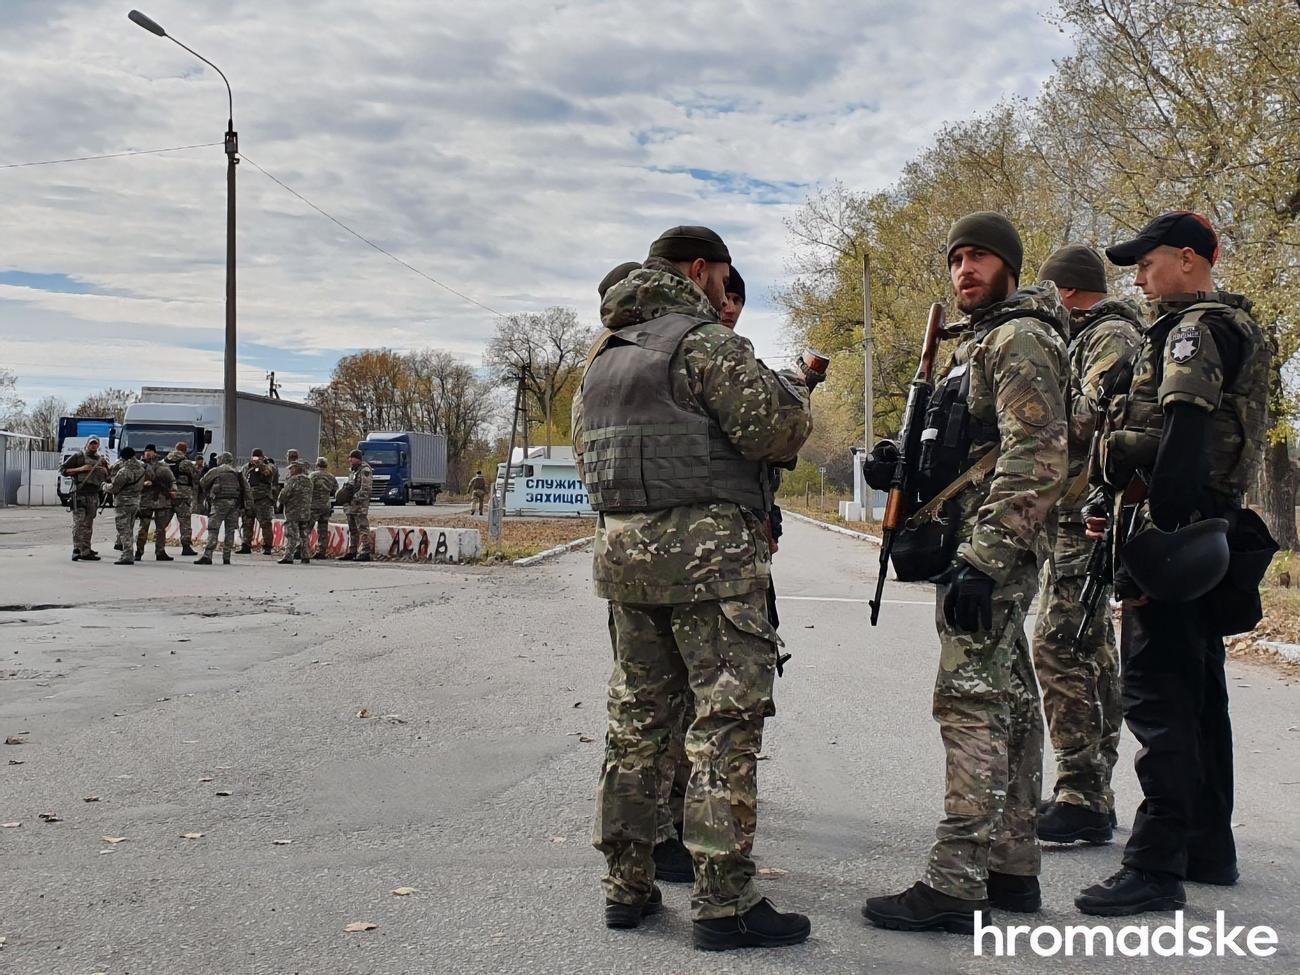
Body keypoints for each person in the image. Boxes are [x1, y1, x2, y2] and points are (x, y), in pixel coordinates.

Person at [574, 226, 815, 949]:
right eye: (723, 278)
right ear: (702, 270)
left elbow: (591, 461)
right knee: (723, 724)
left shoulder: (603, 358)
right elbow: (777, 432)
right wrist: (795, 394)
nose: (723, 292)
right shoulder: (703, 342)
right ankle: (724, 900)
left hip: (626, 564)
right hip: (710, 566)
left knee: (637, 723)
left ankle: (627, 885)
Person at [861, 213, 1068, 934]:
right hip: (976, 549)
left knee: (970, 704)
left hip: (990, 555)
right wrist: (894, 461)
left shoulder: (1021, 338)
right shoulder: (978, 344)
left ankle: (955, 881)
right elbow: (963, 442)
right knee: (1007, 699)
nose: (963, 270)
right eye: (955, 259)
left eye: (978, 256)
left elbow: (1038, 453)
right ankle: (1012, 866)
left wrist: (986, 557)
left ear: (1009, 264)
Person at [1075, 212, 1270, 916]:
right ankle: (1207, 846)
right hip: (1204, 530)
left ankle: (1155, 864)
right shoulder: (1229, 324)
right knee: (1199, 694)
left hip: (1176, 533)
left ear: (1189, 259)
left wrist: (1155, 534)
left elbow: (1184, 434)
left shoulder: (1192, 329)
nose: (1138, 276)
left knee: (1159, 701)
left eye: (1147, 262)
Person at [1030, 246, 1144, 847]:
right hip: (1075, 514)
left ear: (1067, 292)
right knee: (1088, 647)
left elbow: (1085, 421)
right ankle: (1089, 791)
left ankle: (1082, 792)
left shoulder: (1110, 338)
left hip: (1089, 516)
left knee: (1057, 644)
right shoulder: (1093, 337)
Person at [61, 436, 111, 561]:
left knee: (88, 524)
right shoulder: (79, 456)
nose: (93, 446)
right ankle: (76, 549)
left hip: (93, 495)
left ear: (98, 445)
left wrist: (106, 472)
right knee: (79, 523)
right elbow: (63, 470)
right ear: (87, 444)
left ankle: (86, 550)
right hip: (79, 494)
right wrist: (80, 469)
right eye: (91, 443)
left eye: (95, 444)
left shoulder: (101, 460)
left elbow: (109, 478)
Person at [195, 452, 248, 565]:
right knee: (230, 531)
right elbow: (246, 489)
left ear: (222, 460)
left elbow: (203, 482)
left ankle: (208, 555)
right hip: (234, 505)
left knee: (213, 529)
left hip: (219, 503)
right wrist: (248, 506)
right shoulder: (237, 473)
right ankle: (227, 557)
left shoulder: (216, 471)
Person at [135, 445, 177, 562]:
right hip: (145, 500)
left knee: (161, 529)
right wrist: (143, 484)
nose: (148, 453)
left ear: (155, 453)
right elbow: (133, 481)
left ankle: (160, 551)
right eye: (146, 451)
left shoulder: (163, 466)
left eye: (150, 451)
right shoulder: (139, 466)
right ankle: (139, 551)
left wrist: (173, 491)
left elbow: (172, 480)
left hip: (161, 500)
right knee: (143, 528)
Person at [107, 446, 147, 565]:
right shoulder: (141, 468)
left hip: (123, 503)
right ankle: (129, 552)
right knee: (129, 528)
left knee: (123, 529)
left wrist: (104, 486)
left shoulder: (124, 471)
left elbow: (114, 488)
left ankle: (128, 554)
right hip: (135, 502)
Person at [164, 442, 200, 557]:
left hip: (167, 495)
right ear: (185, 451)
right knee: (185, 522)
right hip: (183, 496)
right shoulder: (186, 463)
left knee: (162, 522)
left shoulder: (165, 461)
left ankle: (158, 547)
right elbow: (196, 477)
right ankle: (186, 547)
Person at [241, 449, 278, 555]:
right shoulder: (246, 467)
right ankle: (246, 545)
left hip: (263, 500)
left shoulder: (268, 465)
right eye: (254, 457)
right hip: (249, 499)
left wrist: (260, 465)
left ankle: (267, 547)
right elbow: (242, 480)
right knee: (247, 523)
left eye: (258, 457)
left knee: (265, 524)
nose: (255, 459)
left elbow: (270, 473)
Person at [340, 449, 374, 562]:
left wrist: (355, 498)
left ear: (358, 459)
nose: (350, 460)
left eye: (352, 457)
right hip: (351, 505)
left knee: (362, 528)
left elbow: (366, 488)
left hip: (359, 505)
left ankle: (365, 551)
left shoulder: (365, 470)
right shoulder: (353, 471)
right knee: (352, 529)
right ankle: (352, 551)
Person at [277, 462, 314, 565]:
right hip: (305, 511)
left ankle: (288, 556)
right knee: (304, 534)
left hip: (293, 511)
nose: (290, 471)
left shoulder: (293, 480)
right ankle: (305, 555)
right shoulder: (309, 480)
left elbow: (284, 495)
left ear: (297, 469)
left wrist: (280, 501)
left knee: (291, 534)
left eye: (291, 469)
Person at [309, 457, 338, 559]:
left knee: (307, 528)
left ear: (317, 465)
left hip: (314, 506)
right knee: (323, 529)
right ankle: (322, 551)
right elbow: (335, 491)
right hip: (326, 506)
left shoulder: (313, 476)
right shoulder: (331, 477)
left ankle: (301, 549)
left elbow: (308, 488)